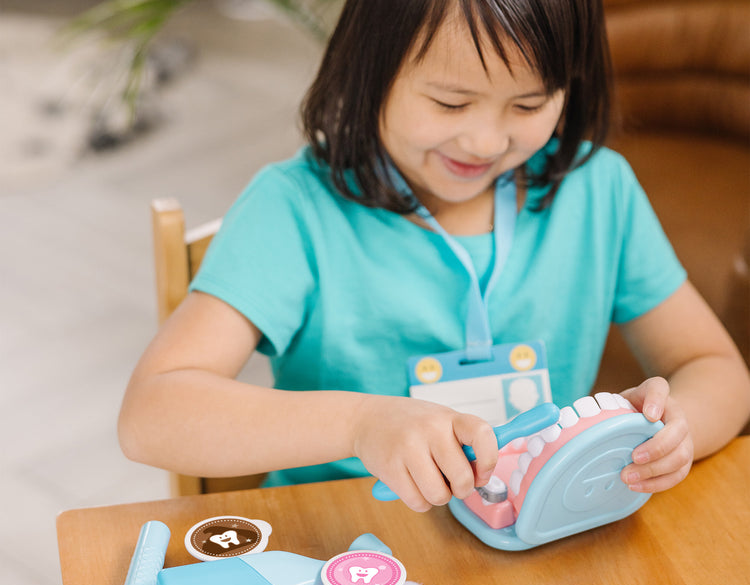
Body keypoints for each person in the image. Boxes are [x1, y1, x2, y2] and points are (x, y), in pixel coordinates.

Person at [118, 0, 750, 513]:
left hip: (538, 533)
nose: (485, 140)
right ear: (371, 74)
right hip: (344, 550)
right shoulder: (295, 210)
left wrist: (676, 426)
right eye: (451, 103)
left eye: (529, 105)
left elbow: (713, 366)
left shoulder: (598, 191)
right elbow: (153, 414)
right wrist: (360, 423)